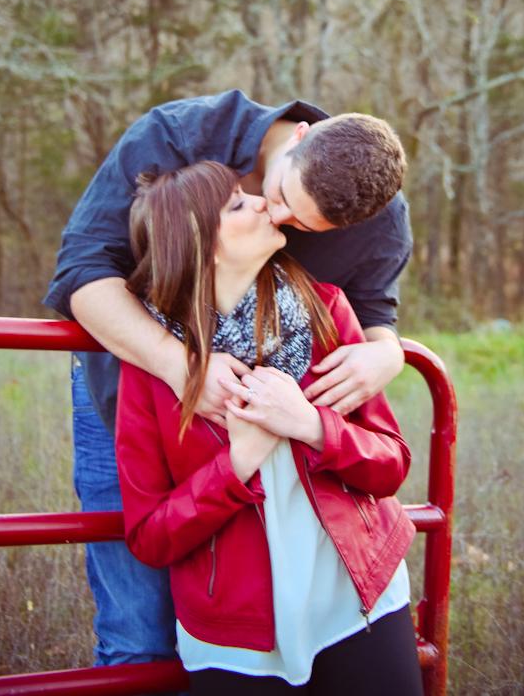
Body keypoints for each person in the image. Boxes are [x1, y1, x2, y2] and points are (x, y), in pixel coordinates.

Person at [44, 89, 413, 666]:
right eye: (282, 198)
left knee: (282, 610)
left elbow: (376, 313)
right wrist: (183, 366)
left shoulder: (375, 218)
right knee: (139, 634)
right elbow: (83, 271)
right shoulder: (177, 135)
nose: (282, 222)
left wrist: (387, 352)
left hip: (285, 439)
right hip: (137, 381)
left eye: (305, 227)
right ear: (299, 138)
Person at [116, 162, 423, 694]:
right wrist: (235, 465)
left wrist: (311, 425)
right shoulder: (154, 368)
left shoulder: (325, 310)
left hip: (360, 598)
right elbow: (150, 536)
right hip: (235, 634)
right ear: (198, 246)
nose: (262, 202)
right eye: (237, 204)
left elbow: (391, 463)